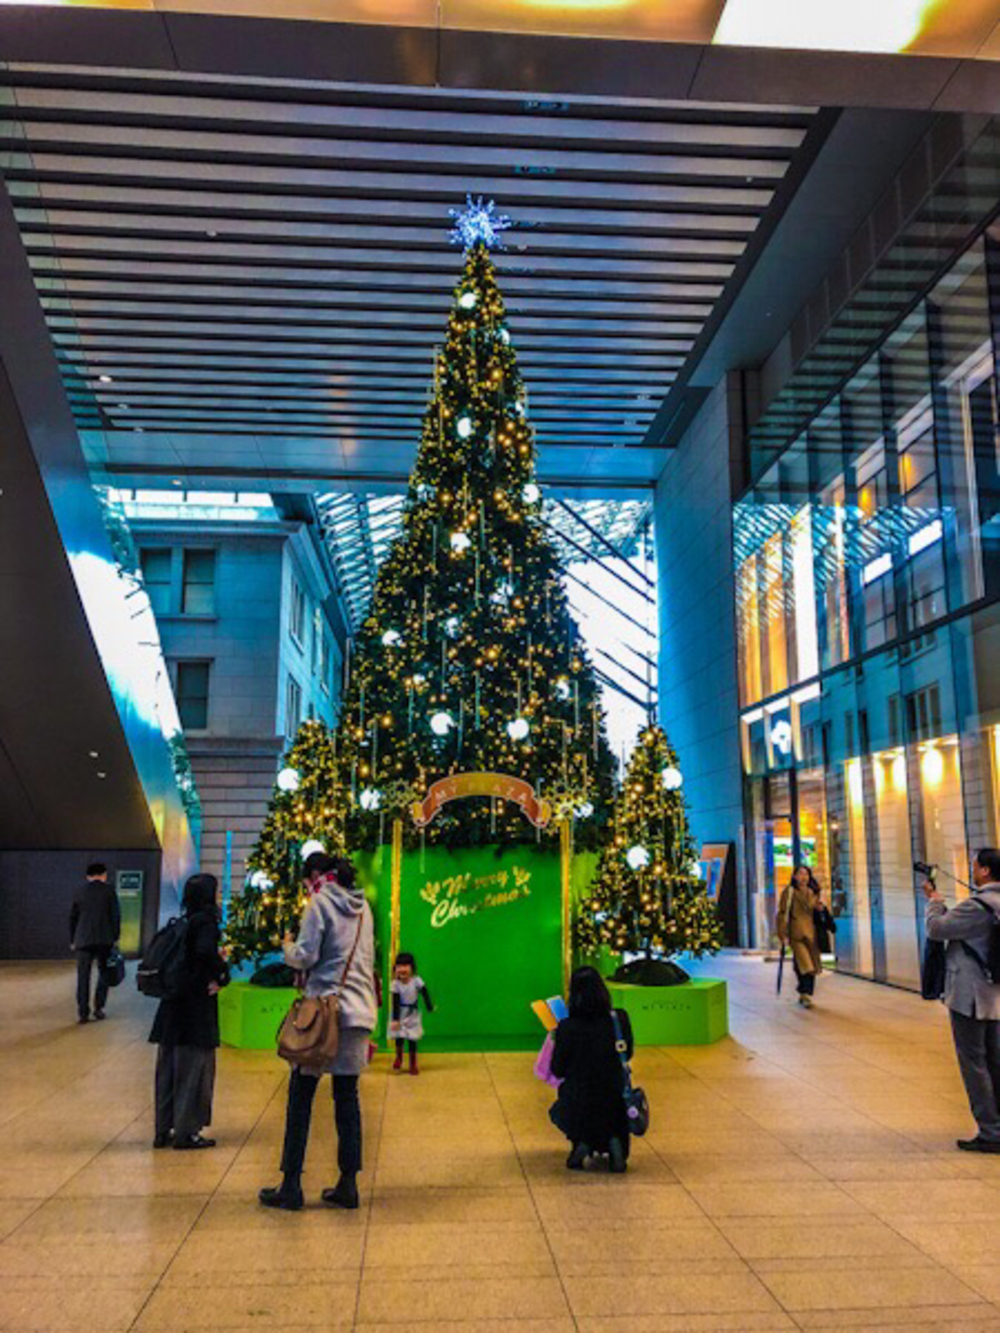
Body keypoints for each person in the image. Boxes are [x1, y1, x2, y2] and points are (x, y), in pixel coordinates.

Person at [260, 851, 377, 1212]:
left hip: (323, 1014)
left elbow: (307, 955)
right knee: (347, 1098)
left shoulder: (320, 903)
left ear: (313, 874)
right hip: (358, 1011)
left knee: (301, 1095)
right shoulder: (363, 907)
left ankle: (291, 1184)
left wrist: (287, 948)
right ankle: (348, 1184)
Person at [923, 848, 1000, 1153]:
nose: (972, 869)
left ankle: (991, 1131)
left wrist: (934, 902)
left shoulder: (977, 906)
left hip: (970, 996)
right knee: (995, 1061)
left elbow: (936, 929)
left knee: (974, 1064)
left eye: (975, 866)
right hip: (995, 996)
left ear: (985, 871)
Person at [149, 873, 229, 1150]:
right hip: (195, 1008)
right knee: (193, 1071)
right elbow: (204, 953)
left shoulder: (182, 922)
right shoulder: (206, 922)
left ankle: (163, 1129)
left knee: (167, 1071)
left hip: (171, 1005)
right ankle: (187, 1131)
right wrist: (221, 974)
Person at [549, 965, 633, 1174]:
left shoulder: (567, 1027)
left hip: (579, 1095)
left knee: (561, 1107)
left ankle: (583, 1142)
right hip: (614, 1093)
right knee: (612, 1105)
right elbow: (628, 1053)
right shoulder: (619, 1019)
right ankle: (614, 1141)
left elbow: (558, 1069)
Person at [69, 862, 120, 1023]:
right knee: (104, 975)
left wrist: (72, 939)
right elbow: (115, 916)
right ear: (104, 875)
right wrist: (115, 937)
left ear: (88, 876)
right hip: (104, 940)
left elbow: (73, 918)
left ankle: (83, 1013)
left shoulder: (79, 891)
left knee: (83, 977)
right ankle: (99, 1008)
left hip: (83, 940)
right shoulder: (109, 891)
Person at [778, 865, 826, 1008]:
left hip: (812, 934)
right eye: (800, 874)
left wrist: (820, 909)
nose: (803, 877)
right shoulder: (789, 892)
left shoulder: (813, 892)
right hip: (796, 933)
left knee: (812, 964)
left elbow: (818, 911)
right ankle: (804, 993)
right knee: (806, 964)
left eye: (806, 874)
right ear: (794, 876)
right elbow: (782, 913)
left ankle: (805, 993)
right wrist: (782, 933)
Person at [389, 951, 434, 1075]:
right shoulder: (395, 984)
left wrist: (429, 1006)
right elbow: (395, 1002)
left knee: (412, 1039)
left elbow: (425, 994)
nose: (402, 969)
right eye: (399, 966)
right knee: (399, 1037)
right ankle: (399, 1057)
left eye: (405, 966)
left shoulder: (417, 981)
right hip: (400, 1013)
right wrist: (395, 1019)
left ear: (412, 968)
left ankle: (413, 1063)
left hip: (412, 1014)